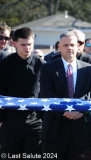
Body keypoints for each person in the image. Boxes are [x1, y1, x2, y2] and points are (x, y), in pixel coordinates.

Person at [40, 31, 91, 160]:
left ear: (78, 46)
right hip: (54, 129)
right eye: (65, 45)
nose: (69, 48)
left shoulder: (89, 69)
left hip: (80, 130)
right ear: (59, 46)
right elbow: (46, 93)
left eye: (72, 44)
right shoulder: (47, 68)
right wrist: (66, 110)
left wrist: (77, 107)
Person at [0, 27, 45, 155]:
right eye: (23, 45)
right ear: (14, 43)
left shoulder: (42, 65)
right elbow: (1, 92)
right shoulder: (4, 65)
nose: (27, 48)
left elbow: (45, 93)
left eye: (30, 44)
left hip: (35, 122)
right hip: (10, 121)